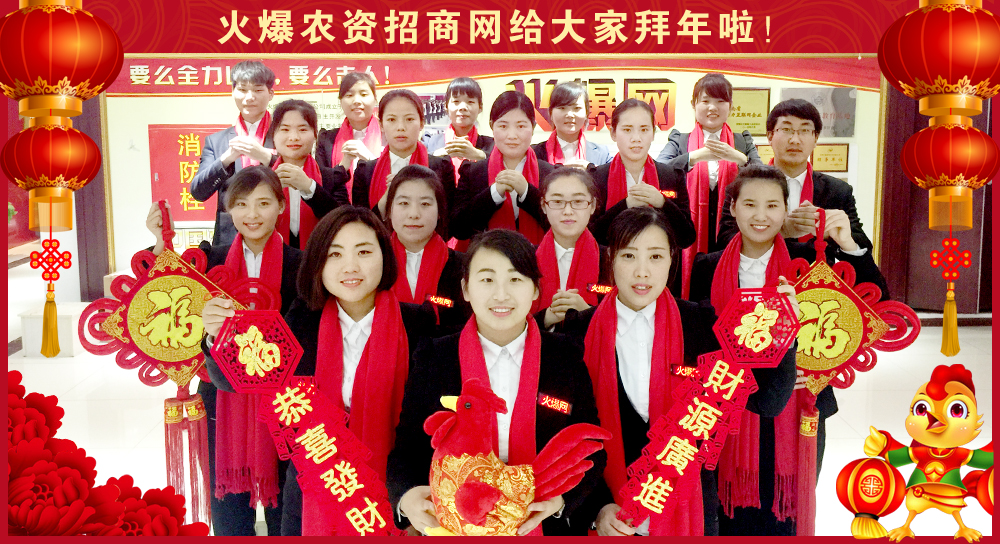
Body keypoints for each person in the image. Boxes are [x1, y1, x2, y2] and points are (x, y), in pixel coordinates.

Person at [557, 207, 795, 536]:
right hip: (610, 516)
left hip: (688, 511)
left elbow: (768, 402)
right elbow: (567, 433)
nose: (642, 272)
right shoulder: (578, 333)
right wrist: (597, 508)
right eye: (629, 256)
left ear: (671, 260)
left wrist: (784, 332)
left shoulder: (702, 326)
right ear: (610, 259)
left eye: (655, 256)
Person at [689, 164, 889, 536]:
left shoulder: (808, 262)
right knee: (728, 516)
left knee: (786, 514)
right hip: (728, 409)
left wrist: (850, 246)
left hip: (797, 406)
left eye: (772, 205)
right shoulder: (706, 267)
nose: (761, 216)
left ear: (785, 210)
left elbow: (875, 305)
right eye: (749, 204)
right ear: (732, 208)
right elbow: (694, 340)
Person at [387, 229, 606, 536]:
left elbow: (591, 445)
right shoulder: (434, 355)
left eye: (515, 279)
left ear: (535, 289)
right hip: (453, 524)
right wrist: (406, 496)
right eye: (487, 279)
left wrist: (561, 501)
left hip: (541, 524)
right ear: (466, 288)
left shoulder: (564, 355)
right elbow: (407, 447)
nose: (501, 295)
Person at [148, 166, 301, 536]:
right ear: (229, 210)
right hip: (219, 396)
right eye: (241, 204)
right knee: (228, 512)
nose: (252, 214)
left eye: (264, 203)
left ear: (281, 206)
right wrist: (159, 242)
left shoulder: (303, 264)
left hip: (285, 402)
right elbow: (166, 298)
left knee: (287, 510)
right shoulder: (208, 260)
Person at [261, 207, 427, 535]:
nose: (350, 266)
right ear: (318, 263)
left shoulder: (419, 324)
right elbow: (248, 376)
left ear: (385, 256)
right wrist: (216, 337)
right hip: (312, 498)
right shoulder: (301, 321)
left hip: (395, 501)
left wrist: (409, 501)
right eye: (334, 254)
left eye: (363, 252)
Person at [717, 99, 874, 259]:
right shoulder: (743, 186)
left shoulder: (837, 190)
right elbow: (724, 242)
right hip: (759, 274)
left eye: (805, 130)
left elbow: (861, 246)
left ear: (815, 138)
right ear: (770, 136)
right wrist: (780, 231)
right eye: (786, 129)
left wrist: (831, 233)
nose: (795, 140)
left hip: (817, 274)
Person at [656, 73, 761, 297]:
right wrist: (694, 156)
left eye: (720, 101)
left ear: (730, 106)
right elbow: (659, 171)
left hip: (733, 234)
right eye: (705, 101)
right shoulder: (680, 140)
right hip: (688, 235)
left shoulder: (743, 140)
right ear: (694, 105)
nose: (712, 107)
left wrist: (739, 158)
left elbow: (764, 177)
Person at [588, 99, 696, 294]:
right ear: (613, 133)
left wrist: (662, 203)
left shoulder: (671, 176)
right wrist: (625, 205)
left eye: (644, 130)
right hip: (608, 280)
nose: (636, 138)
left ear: (653, 133)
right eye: (627, 130)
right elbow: (590, 236)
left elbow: (687, 237)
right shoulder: (596, 178)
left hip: (659, 282)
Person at [190, 60, 277, 247]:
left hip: (277, 232)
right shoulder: (216, 141)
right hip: (229, 240)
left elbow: (298, 177)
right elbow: (198, 192)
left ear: (271, 93)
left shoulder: (283, 135)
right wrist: (226, 159)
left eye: (258, 90)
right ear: (232, 92)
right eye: (242, 90)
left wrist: (267, 157)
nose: (249, 97)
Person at [450, 91, 556, 245]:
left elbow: (559, 224)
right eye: (503, 126)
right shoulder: (473, 172)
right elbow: (459, 229)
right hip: (486, 258)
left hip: (536, 259)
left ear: (533, 127)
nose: (512, 135)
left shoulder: (550, 174)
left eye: (521, 126)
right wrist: (493, 193)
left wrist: (527, 192)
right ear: (492, 126)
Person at [385, 164, 471, 334]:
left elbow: (469, 327)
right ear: (389, 209)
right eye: (404, 203)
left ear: (439, 211)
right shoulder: (375, 263)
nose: (414, 214)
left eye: (425, 204)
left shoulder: (465, 267)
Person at [347, 89, 456, 218]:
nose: (400, 127)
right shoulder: (365, 171)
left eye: (409, 119)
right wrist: (389, 194)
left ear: (421, 123)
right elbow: (362, 223)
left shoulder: (441, 167)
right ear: (381, 125)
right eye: (391, 119)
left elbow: (448, 220)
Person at [267, 99, 349, 249]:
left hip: (319, 257)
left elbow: (343, 222)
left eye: (303, 129)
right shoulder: (262, 180)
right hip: (274, 258)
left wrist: (309, 187)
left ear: (315, 135)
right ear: (273, 135)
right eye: (285, 129)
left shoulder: (332, 177)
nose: (294, 137)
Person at [532, 167, 605, 329]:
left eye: (578, 202)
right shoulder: (526, 259)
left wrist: (586, 313)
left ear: (592, 205)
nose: (567, 211)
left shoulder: (611, 260)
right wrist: (546, 318)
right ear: (544, 205)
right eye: (557, 202)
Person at [314, 72, 382, 200]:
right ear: (341, 101)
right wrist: (343, 165)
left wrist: (369, 158)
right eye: (349, 95)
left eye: (363, 94)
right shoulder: (327, 139)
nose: (356, 101)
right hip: (338, 209)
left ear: (375, 99)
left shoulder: (389, 137)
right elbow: (321, 186)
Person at [423, 77, 495, 180]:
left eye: (470, 102)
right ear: (446, 106)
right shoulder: (429, 142)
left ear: (480, 107)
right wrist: (434, 156)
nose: (462, 107)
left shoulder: (492, 146)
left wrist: (480, 156)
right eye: (456, 101)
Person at [530, 81, 612, 167]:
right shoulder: (533, 154)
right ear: (550, 113)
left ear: (587, 113)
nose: (569, 114)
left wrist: (593, 169)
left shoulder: (602, 154)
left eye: (576, 108)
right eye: (562, 108)